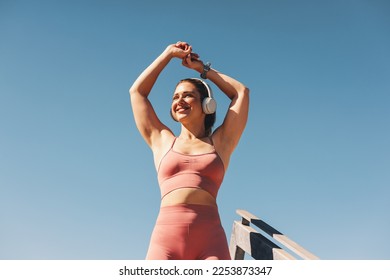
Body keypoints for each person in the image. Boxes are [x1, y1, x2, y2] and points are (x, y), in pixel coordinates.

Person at [129, 41, 249, 260]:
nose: (179, 101)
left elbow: (241, 92)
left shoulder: (220, 143)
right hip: (166, 239)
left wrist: (202, 70)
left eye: (187, 95)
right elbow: (137, 92)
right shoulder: (162, 140)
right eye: (175, 97)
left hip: (210, 241)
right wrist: (167, 54)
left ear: (207, 105)